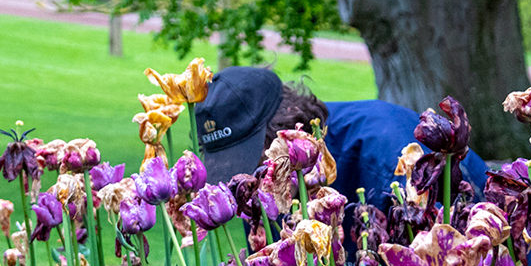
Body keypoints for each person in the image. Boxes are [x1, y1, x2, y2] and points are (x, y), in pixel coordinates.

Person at [193, 65, 488, 203]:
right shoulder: (257, 186)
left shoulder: (387, 152)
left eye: (252, 158)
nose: (249, 184)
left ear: (287, 131)